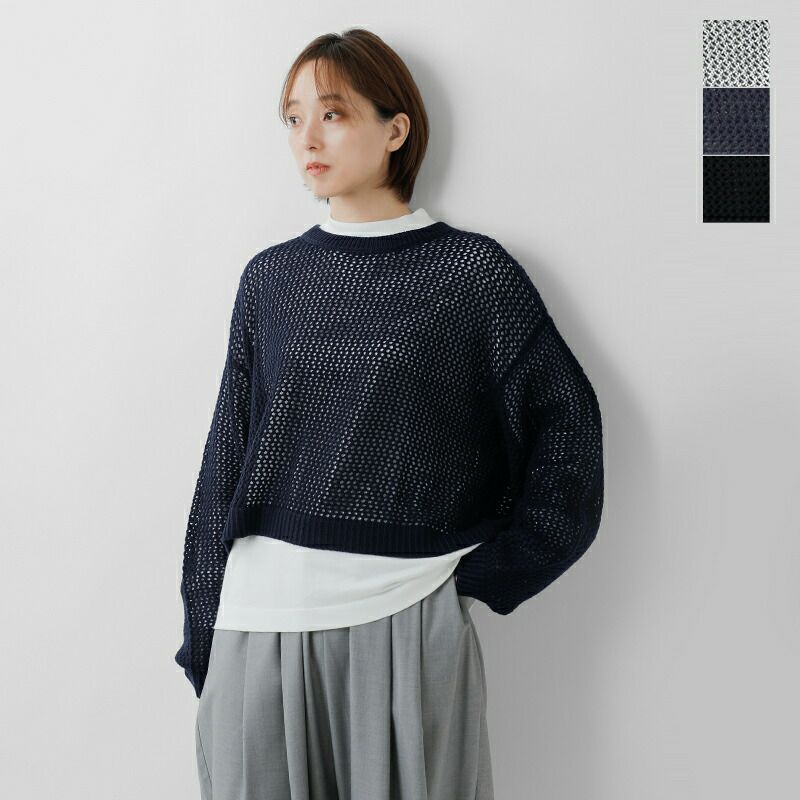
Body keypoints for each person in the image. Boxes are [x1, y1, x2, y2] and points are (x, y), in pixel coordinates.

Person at [175, 27, 604, 800]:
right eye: (293, 117)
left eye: (333, 113)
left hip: (405, 617)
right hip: (258, 621)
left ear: (395, 129)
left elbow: (567, 429)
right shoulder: (270, 279)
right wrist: (203, 624)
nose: (307, 137)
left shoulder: (468, 274)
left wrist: (485, 577)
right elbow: (226, 461)